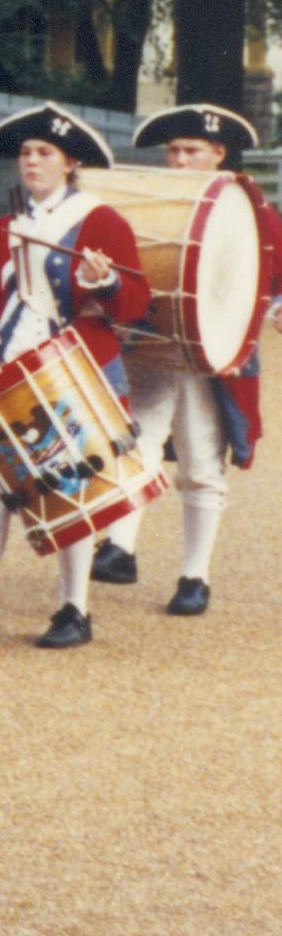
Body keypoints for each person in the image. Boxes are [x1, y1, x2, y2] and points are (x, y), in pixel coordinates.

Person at [0, 104, 150, 652]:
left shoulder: (101, 221)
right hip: (9, 368)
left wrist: (101, 286)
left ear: (69, 161)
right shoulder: (6, 227)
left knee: (69, 487)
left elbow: (135, 306)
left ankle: (75, 608)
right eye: (26, 154)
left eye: (44, 153)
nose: (32, 162)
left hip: (73, 369)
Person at [89, 104, 280, 615]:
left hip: (213, 353)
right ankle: (120, 549)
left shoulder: (254, 212)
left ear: (219, 154)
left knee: (200, 465)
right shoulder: (150, 202)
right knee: (134, 442)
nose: (178, 160)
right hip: (150, 341)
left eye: (191, 151)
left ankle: (195, 576)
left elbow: (274, 278)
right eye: (173, 151)